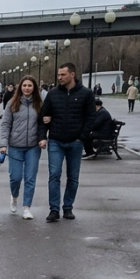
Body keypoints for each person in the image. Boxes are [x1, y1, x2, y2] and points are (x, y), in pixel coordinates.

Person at [40, 62, 96, 222]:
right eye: (58, 75)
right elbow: (44, 117)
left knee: (73, 177)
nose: (60, 78)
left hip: (75, 142)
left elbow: (91, 117)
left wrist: (82, 137)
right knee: (54, 175)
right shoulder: (53, 94)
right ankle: (54, 209)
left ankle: (68, 207)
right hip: (56, 140)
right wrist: (43, 136)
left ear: (72, 74)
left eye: (63, 75)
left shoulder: (86, 94)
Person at [0, 75, 46, 219]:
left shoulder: (39, 104)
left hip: (33, 146)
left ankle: (26, 208)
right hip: (15, 146)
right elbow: (6, 124)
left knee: (30, 178)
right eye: (24, 85)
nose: (27, 88)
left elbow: (43, 124)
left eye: (30, 86)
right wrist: (3, 144)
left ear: (34, 88)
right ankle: (14, 196)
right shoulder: (12, 103)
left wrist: (43, 138)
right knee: (16, 177)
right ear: (20, 87)